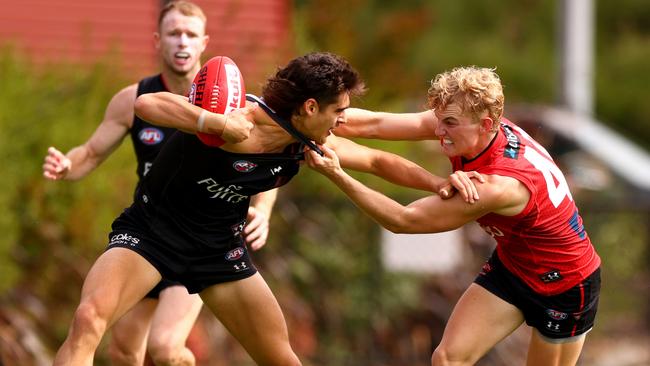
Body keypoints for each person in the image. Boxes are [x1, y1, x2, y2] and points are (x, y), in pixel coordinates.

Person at [50, 51, 480, 366]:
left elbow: (377, 160)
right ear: (310, 108)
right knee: (89, 319)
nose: (343, 121)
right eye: (339, 112)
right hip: (150, 236)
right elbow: (148, 106)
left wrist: (439, 182)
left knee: (281, 358)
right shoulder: (238, 118)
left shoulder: (307, 142)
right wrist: (212, 123)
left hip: (218, 252)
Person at [307, 66, 601, 366]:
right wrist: (296, 113)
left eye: (449, 123)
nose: (438, 132)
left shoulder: (497, 185)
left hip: (565, 284)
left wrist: (337, 174)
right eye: (440, 119)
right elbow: (374, 123)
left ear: (486, 124)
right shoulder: (475, 126)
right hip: (514, 266)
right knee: (447, 359)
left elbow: (403, 219)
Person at [42, 2, 276, 365]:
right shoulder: (135, 99)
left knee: (166, 350)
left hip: (199, 242)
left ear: (204, 43)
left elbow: (270, 161)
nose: (182, 42)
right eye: (173, 33)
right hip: (149, 236)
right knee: (118, 348)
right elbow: (89, 153)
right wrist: (66, 165)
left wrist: (262, 209)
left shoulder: (236, 108)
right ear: (158, 40)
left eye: (191, 34)